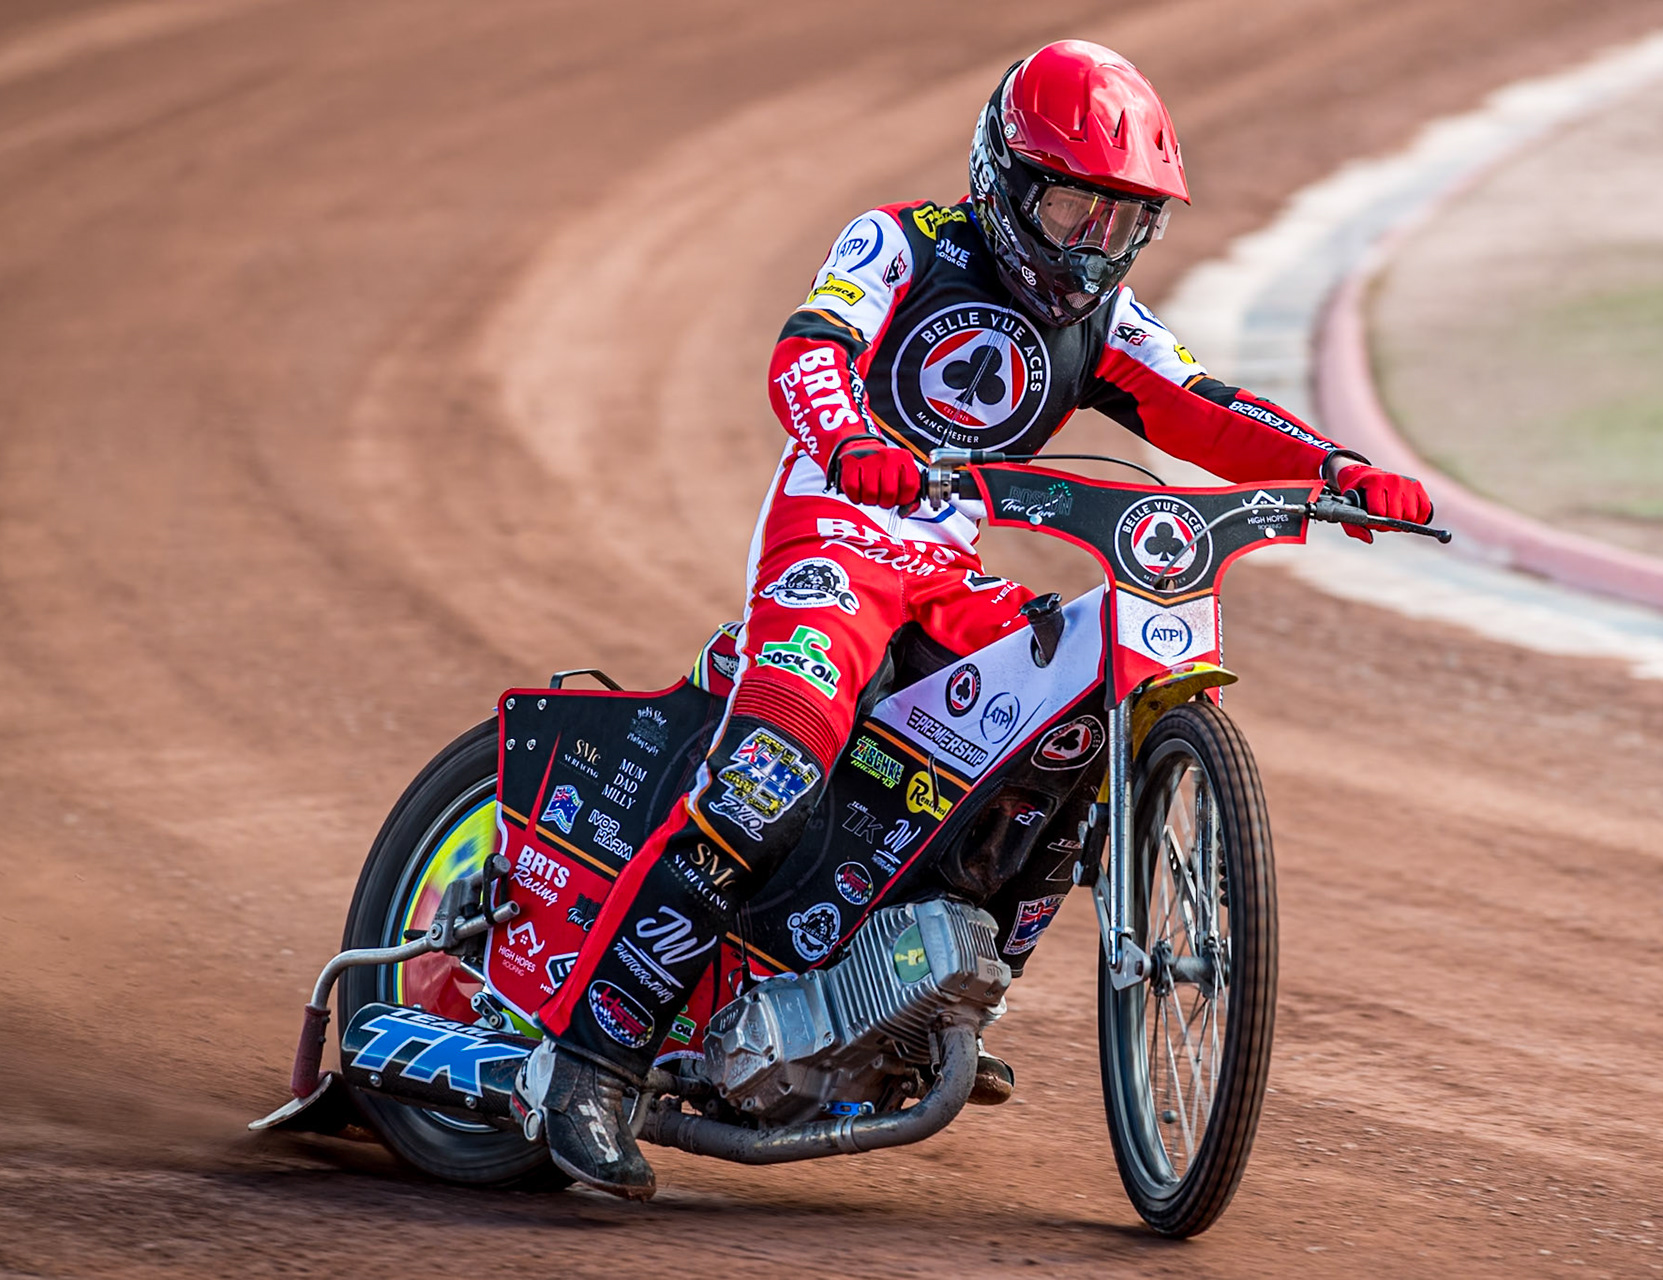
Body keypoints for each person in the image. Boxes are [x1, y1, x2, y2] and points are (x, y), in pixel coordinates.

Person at [513, 39, 1431, 1198]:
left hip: (948, 572)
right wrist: (849, 441)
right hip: (833, 544)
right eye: (1072, 207)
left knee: (1065, 718)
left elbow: (1207, 411)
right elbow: (809, 351)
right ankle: (592, 1063)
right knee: (767, 772)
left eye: (1122, 221)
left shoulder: (1105, 321)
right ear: (1002, 176)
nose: (1093, 243)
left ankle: (915, 987)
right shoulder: (898, 241)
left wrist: (1340, 470)